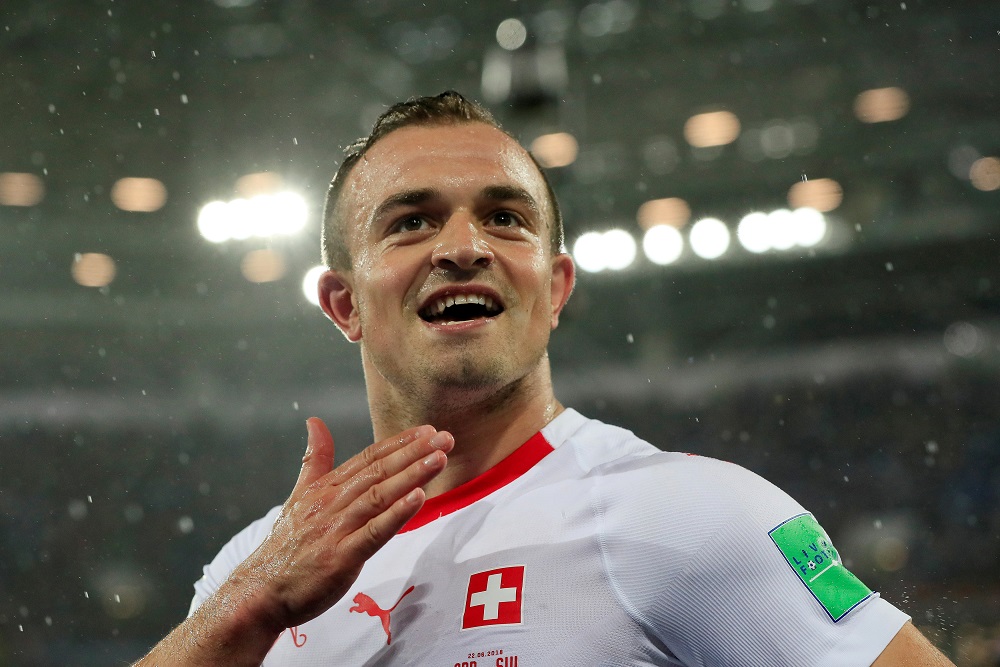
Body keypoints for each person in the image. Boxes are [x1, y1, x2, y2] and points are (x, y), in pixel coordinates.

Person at [135, 91, 954, 666]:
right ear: (343, 303)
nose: (464, 245)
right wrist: (245, 611)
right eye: (412, 220)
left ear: (555, 288)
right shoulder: (251, 567)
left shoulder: (691, 518)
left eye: (504, 216)